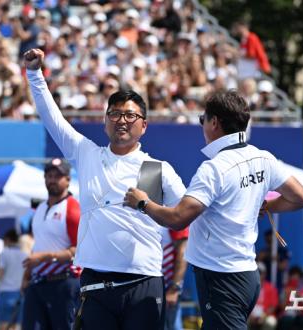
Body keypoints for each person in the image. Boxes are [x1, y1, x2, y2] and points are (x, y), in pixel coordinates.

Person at [24, 48, 186, 330]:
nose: (121, 120)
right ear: (104, 121)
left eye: (130, 115)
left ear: (144, 126)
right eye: (114, 114)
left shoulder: (155, 169)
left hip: (143, 281)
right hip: (95, 283)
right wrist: (34, 74)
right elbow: (53, 119)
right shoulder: (88, 155)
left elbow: (188, 214)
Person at [124, 90, 303, 329]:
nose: (202, 125)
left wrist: (143, 202)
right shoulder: (263, 158)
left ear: (214, 123)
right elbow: (302, 198)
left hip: (222, 278)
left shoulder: (214, 168)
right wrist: (265, 206)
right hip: (245, 274)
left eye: (203, 119)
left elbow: (179, 219)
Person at [21, 158, 81, 330]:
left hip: (64, 283)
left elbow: (80, 251)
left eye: (57, 176)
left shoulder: (73, 209)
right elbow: (38, 245)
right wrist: (26, 275)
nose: (52, 179)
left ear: (68, 179)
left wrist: (46, 258)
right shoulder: (39, 209)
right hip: (38, 283)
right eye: (49, 175)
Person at [0, 229, 28, 330]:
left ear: (7, 240)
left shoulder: (4, 253)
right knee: (16, 327)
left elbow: (0, 274)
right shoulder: (25, 255)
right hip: (20, 294)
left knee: (3, 326)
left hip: (5, 294)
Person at [162, 227, 189, 330]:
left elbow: (182, 253)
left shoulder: (172, 212)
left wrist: (174, 288)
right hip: (150, 286)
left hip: (167, 288)